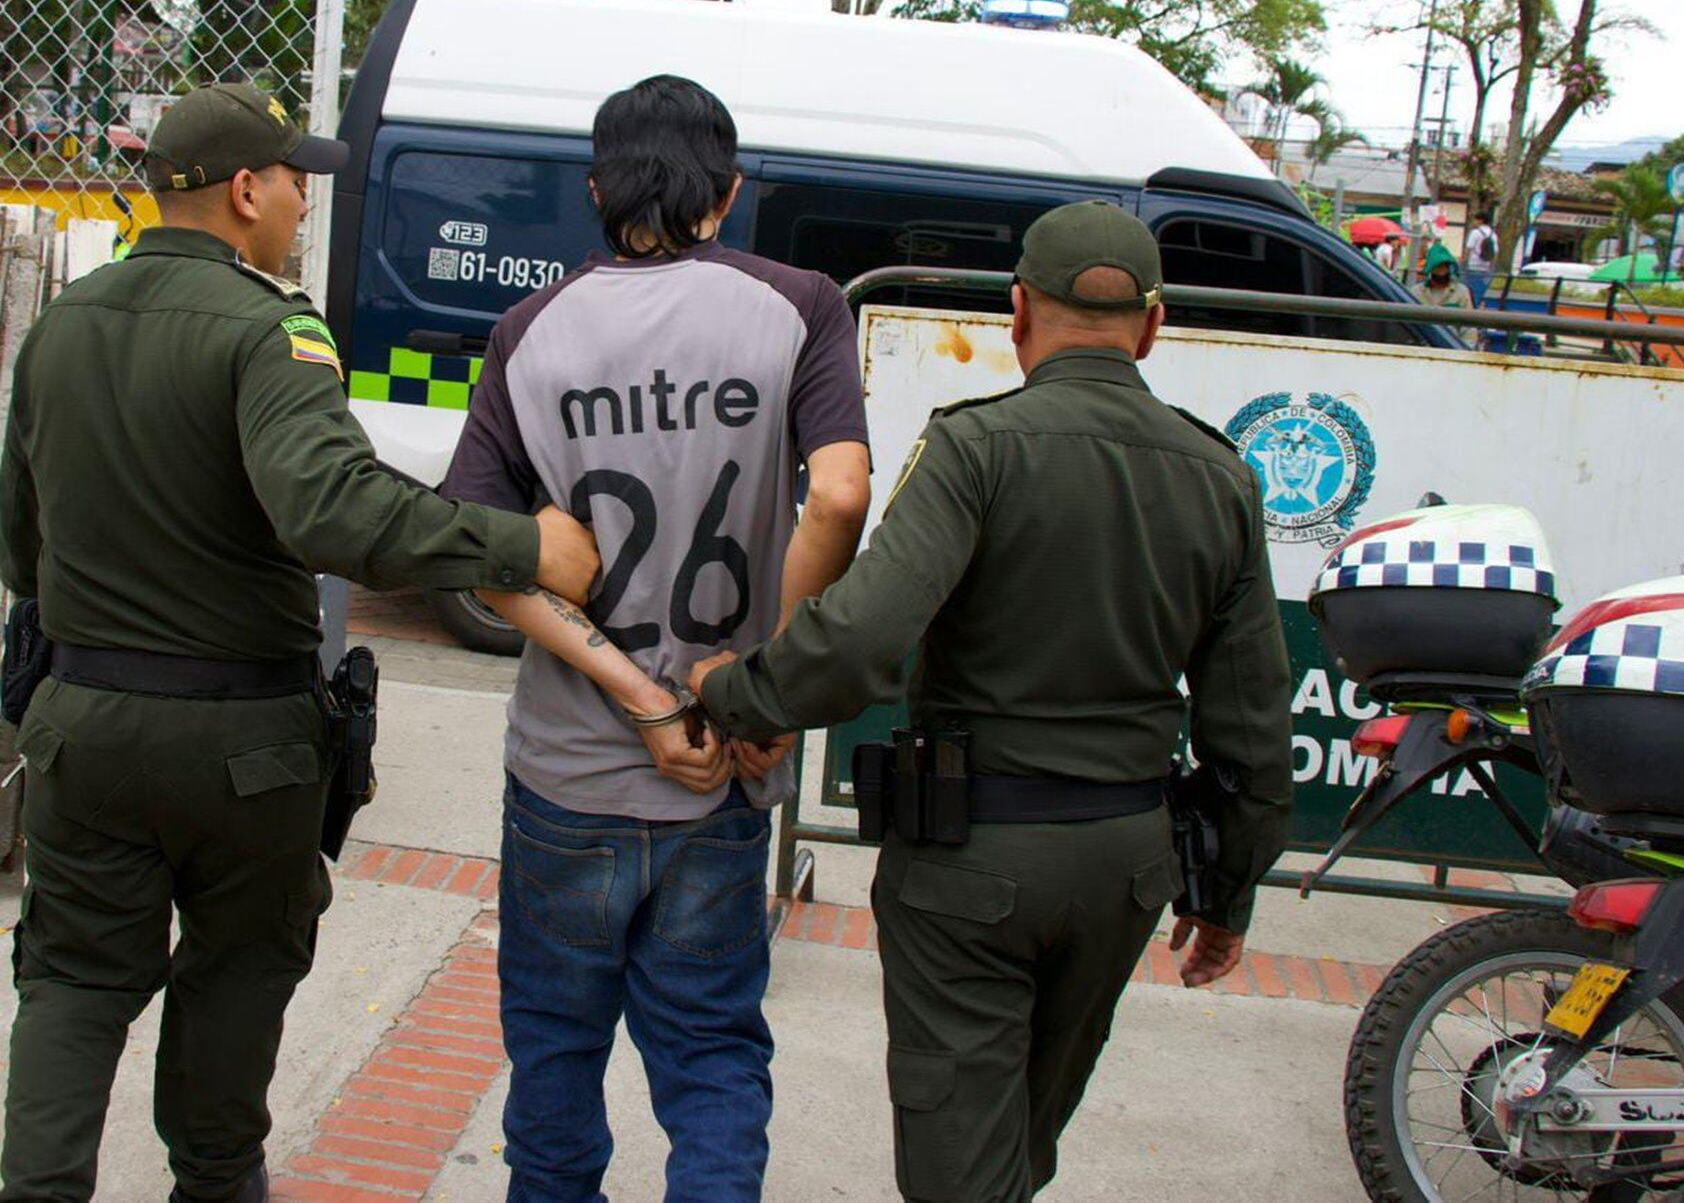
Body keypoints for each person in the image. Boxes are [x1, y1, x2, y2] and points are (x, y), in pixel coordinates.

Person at [0, 82, 601, 1203]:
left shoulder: (61, 329)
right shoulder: (272, 330)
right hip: (241, 746)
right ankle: (217, 1182)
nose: (297, 205)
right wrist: (527, 547)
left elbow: (22, 558)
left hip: (79, 726)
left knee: (73, 983)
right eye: (291, 181)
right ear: (242, 190)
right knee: (235, 972)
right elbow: (338, 514)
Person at [690, 200, 1295, 1203]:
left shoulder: (977, 447)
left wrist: (738, 692)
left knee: (960, 1168)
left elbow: (865, 636)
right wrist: (1227, 891)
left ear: (1019, 313)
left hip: (969, 860)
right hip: (1124, 865)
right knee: (1020, 1145)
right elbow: (1252, 720)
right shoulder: (1221, 477)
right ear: (1152, 326)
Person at [440, 74, 871, 1203]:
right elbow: (836, 499)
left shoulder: (529, 331)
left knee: (553, 1057)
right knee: (714, 1060)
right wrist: (765, 684)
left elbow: (476, 551)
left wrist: (633, 693)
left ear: (596, 190)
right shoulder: (804, 305)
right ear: (726, 195)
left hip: (570, 775)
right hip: (726, 769)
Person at [1411, 241, 1475, 309]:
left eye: (1445, 266)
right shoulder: (1417, 292)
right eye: (1438, 267)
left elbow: (1468, 316)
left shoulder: (1461, 292)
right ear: (1431, 269)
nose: (1441, 271)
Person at [1462, 212, 1498, 304]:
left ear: (1480, 220)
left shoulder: (1475, 233)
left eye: (1475, 219)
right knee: (1480, 288)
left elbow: (1469, 249)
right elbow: (1495, 252)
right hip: (1486, 266)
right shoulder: (1493, 235)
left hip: (1473, 265)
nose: (1474, 222)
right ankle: (1477, 303)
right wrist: (1492, 267)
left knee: (1470, 287)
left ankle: (1470, 303)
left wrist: (1464, 261)